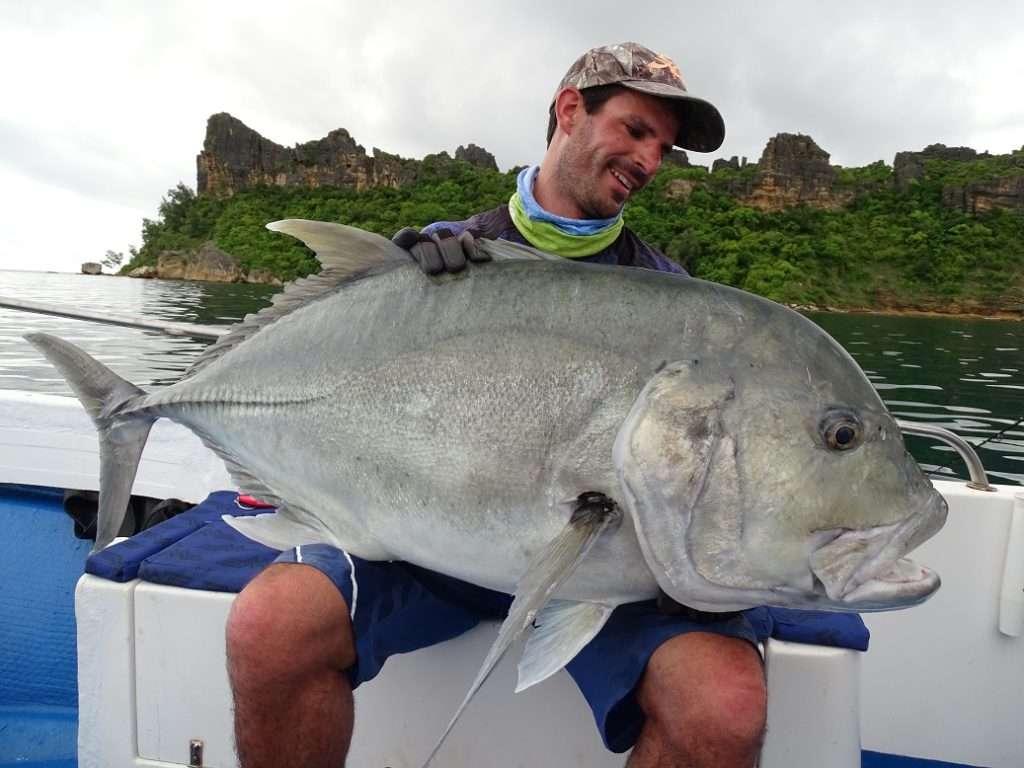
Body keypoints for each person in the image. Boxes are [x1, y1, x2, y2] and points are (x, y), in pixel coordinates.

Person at [226, 42, 768, 768]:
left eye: (664, 148)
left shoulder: (669, 303)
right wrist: (381, 302)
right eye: (637, 130)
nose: (649, 160)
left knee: (725, 705)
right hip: (433, 552)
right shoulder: (449, 259)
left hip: (600, 570)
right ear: (571, 108)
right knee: (270, 624)